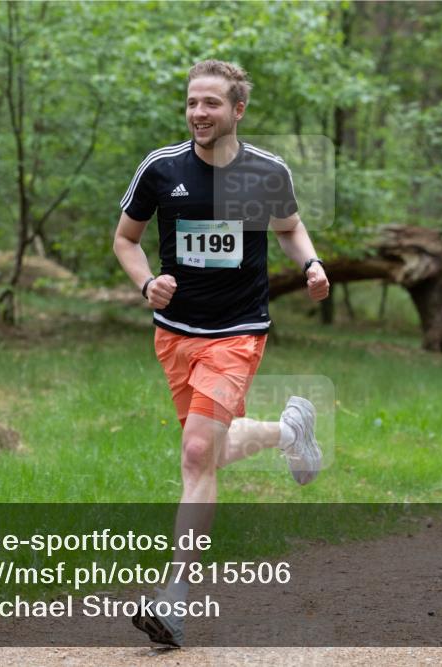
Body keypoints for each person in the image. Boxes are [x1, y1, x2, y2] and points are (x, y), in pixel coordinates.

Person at [112, 59, 330, 648]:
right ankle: (290, 432)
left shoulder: (266, 172)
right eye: (191, 103)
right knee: (210, 453)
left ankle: (175, 601)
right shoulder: (161, 169)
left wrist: (309, 263)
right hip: (176, 331)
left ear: (237, 110)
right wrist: (145, 283)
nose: (198, 113)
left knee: (196, 452)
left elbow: (289, 227)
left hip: (237, 330)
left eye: (211, 103)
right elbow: (125, 239)